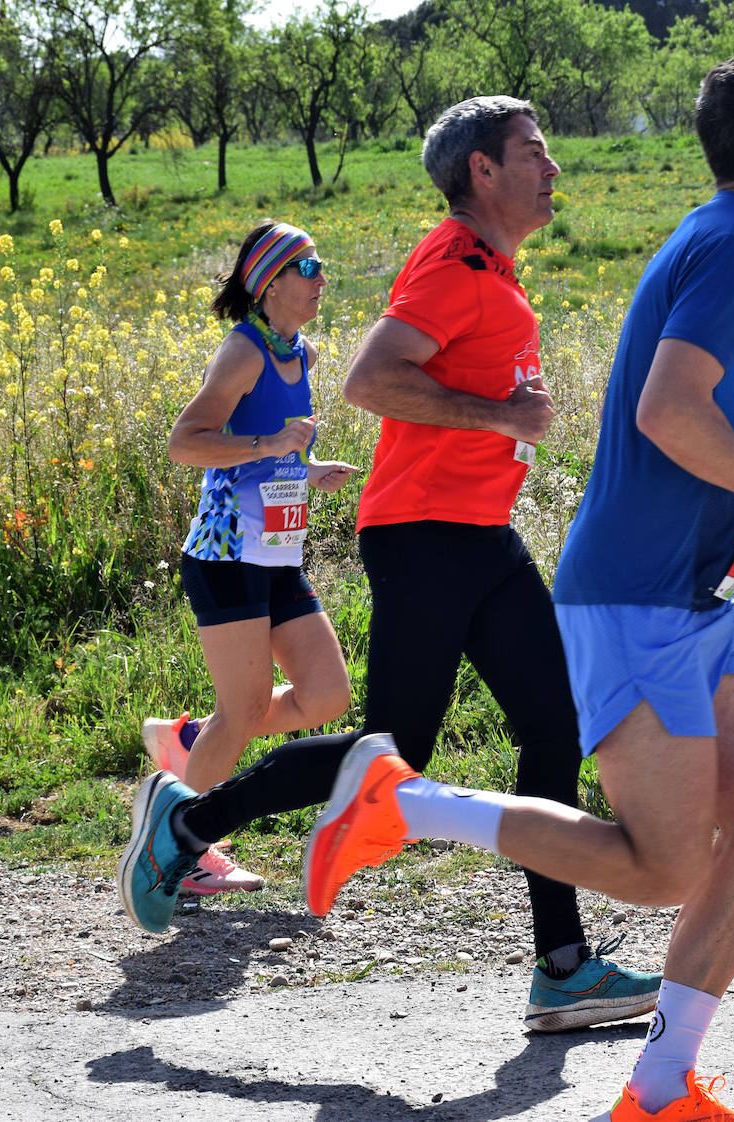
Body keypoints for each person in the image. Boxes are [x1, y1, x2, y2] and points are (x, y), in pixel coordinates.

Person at [300, 46, 734, 1119]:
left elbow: (684, 425)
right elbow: (667, 413)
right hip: (638, 598)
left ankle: (659, 1087)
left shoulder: (730, 240)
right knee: (661, 867)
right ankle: (402, 802)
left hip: (688, 596)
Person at [119, 97, 660, 1033]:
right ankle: (187, 825)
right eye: (534, 152)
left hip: (479, 533)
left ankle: (562, 963)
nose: (554, 167)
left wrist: (505, 407)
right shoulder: (452, 263)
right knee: (393, 752)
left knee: (552, 719)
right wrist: (499, 416)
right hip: (424, 534)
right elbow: (372, 380)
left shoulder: (497, 270)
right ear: (481, 172)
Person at [141, 221, 357, 896]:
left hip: (276, 552)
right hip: (227, 552)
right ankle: (180, 848)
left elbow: (277, 447)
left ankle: (189, 744)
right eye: (310, 266)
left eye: (322, 265)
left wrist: (309, 466)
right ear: (271, 283)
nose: (323, 278)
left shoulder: (301, 352)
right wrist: (270, 444)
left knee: (326, 695)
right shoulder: (242, 354)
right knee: (245, 711)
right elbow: (187, 443)